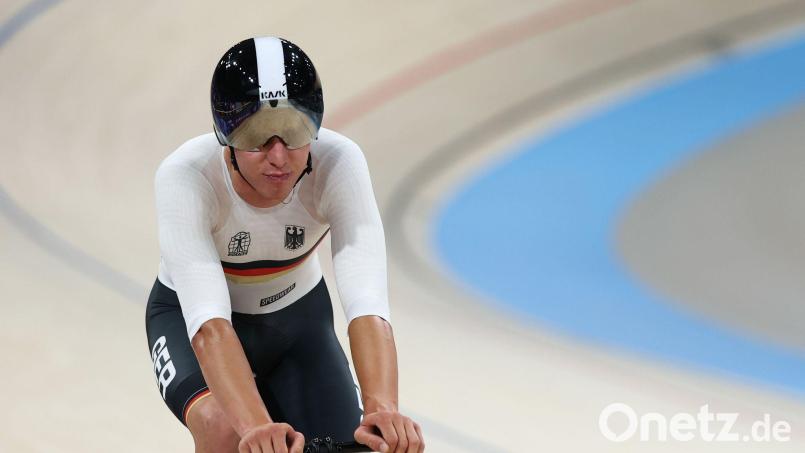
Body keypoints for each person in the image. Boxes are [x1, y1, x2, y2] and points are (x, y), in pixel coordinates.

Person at [145, 36, 425, 453]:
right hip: (189, 324)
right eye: (258, 136)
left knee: (370, 443)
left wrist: (382, 408)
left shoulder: (339, 163)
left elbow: (367, 304)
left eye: (294, 131)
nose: (278, 156)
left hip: (298, 324)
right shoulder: (186, 176)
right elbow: (209, 328)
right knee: (225, 430)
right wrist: (256, 426)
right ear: (226, 135)